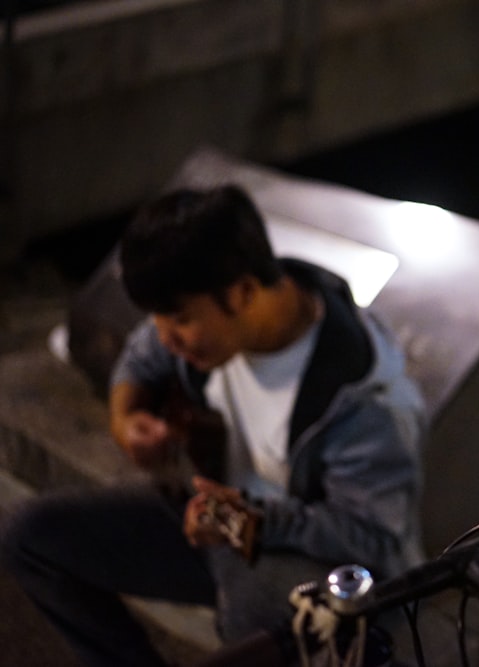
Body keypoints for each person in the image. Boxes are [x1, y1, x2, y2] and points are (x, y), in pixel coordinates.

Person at [0, 184, 427, 666]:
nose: (164, 337)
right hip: (208, 520)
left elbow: (371, 539)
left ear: (243, 293)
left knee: (252, 619)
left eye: (177, 319)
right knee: (29, 536)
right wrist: (126, 417)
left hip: (310, 561)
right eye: (157, 318)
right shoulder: (214, 314)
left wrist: (244, 519)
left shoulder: (369, 403)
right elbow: (141, 358)